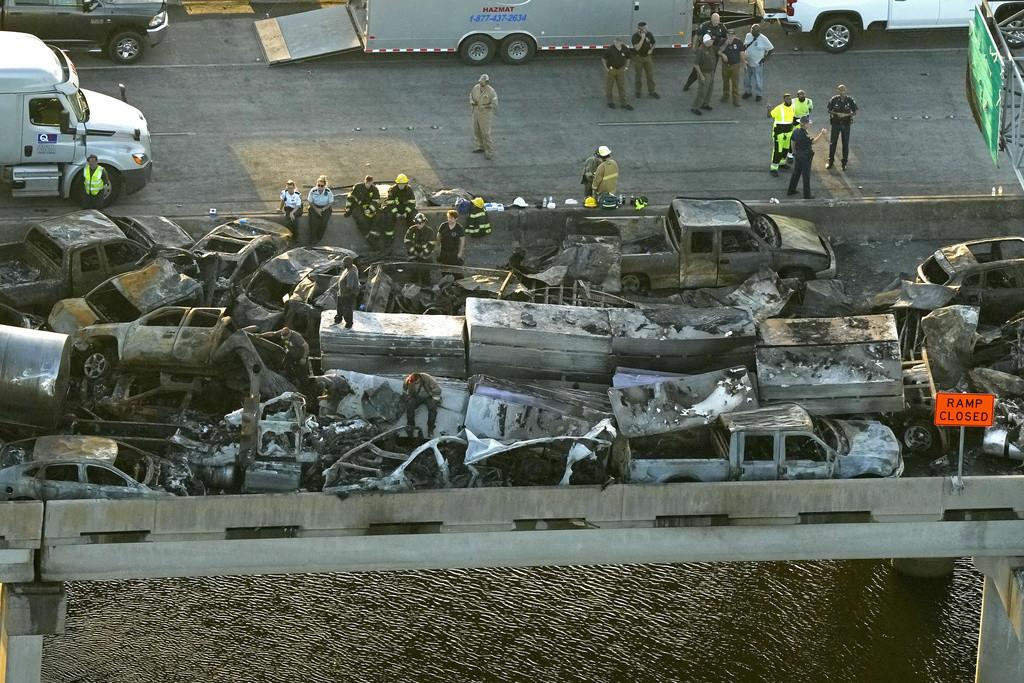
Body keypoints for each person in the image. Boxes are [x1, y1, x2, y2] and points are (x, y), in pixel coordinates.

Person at [684, 13, 728, 91]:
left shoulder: (722, 27)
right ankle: (688, 84)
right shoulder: (705, 25)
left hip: (715, 51)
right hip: (704, 49)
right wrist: (694, 46)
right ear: (711, 19)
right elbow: (697, 35)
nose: (716, 22)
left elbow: (727, 38)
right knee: (696, 69)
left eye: (718, 20)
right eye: (715, 20)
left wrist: (722, 48)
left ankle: (708, 86)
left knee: (712, 70)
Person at [787, 115, 827, 199]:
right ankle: (807, 195)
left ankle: (791, 190)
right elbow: (814, 142)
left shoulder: (796, 131)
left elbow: (792, 142)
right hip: (805, 157)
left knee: (796, 173)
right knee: (806, 176)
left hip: (798, 155)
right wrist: (822, 134)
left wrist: (794, 152)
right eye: (808, 123)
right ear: (804, 124)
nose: (809, 124)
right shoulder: (805, 135)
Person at [826, 83, 858, 171]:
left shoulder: (850, 100)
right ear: (837, 91)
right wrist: (837, 114)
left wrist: (845, 115)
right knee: (833, 143)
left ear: (846, 90)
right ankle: (830, 161)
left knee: (845, 144)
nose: (842, 91)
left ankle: (844, 163)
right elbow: (829, 110)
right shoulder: (834, 99)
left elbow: (854, 112)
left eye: (843, 90)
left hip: (846, 124)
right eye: (840, 90)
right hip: (836, 124)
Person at [403, 372, 442, 437]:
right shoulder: (408, 380)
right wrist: (407, 396)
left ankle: (430, 429)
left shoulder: (427, 378)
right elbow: (404, 389)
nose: (414, 383)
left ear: (419, 379)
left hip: (428, 396)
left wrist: (435, 399)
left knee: (432, 408)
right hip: (417, 396)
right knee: (410, 404)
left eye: (416, 382)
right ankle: (410, 425)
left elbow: (437, 389)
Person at [741, 24, 774, 102]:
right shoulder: (748, 35)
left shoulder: (764, 39)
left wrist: (764, 59)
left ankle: (759, 94)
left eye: (754, 31)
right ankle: (748, 92)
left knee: (758, 80)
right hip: (747, 62)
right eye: (751, 30)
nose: (752, 32)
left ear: (758, 31)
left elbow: (771, 49)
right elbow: (745, 45)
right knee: (746, 79)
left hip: (757, 64)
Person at [470, 74, 498, 159]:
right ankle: (481, 146)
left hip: (485, 113)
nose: (481, 83)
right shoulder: (476, 88)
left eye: (483, 82)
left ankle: (489, 151)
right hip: (476, 111)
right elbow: (471, 95)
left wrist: (486, 106)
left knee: (486, 133)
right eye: (480, 81)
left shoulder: (491, 91)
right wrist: (472, 102)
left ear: (487, 82)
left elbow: (494, 103)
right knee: (476, 130)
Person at [768, 92, 796, 176]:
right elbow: (770, 115)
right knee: (777, 151)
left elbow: (793, 118)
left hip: (788, 133)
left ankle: (782, 163)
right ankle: (773, 168)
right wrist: (768, 109)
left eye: (790, 98)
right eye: (787, 99)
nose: (789, 100)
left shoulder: (792, 107)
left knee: (785, 150)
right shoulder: (779, 108)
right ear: (784, 100)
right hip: (778, 134)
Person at [690, 34, 718, 116]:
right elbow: (696, 64)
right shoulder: (701, 50)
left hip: (711, 72)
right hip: (704, 73)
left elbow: (719, 50)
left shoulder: (711, 48)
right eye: (710, 41)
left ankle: (705, 104)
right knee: (702, 91)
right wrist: (701, 75)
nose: (712, 42)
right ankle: (695, 107)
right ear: (706, 41)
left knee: (710, 89)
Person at [602, 38, 633, 110]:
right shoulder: (610, 49)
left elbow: (628, 57)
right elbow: (603, 58)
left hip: (620, 70)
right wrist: (606, 68)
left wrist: (626, 67)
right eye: (615, 43)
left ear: (621, 43)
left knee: (621, 86)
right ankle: (610, 102)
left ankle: (623, 103)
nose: (616, 44)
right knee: (609, 86)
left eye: (618, 43)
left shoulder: (625, 49)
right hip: (612, 70)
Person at [631, 21, 659, 99]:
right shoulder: (635, 36)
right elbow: (637, 48)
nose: (646, 29)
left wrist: (652, 50)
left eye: (646, 28)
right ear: (640, 29)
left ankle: (652, 91)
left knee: (650, 75)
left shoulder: (649, 34)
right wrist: (643, 38)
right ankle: (638, 91)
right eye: (644, 28)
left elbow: (654, 43)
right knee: (638, 75)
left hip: (647, 57)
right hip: (638, 57)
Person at [719, 28, 745, 107]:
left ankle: (736, 100)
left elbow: (742, 53)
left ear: (734, 35)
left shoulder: (738, 42)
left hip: (735, 66)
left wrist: (744, 63)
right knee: (725, 81)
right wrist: (723, 53)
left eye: (732, 35)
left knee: (735, 83)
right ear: (726, 35)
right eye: (729, 35)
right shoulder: (723, 41)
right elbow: (719, 51)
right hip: (725, 66)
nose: (730, 37)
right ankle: (725, 96)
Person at [307, 175, 334, 243]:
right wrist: (316, 210)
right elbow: (310, 201)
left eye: (322, 186)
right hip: (314, 207)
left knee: (323, 223)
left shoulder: (328, 192)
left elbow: (330, 202)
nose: (320, 187)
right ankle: (313, 239)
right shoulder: (313, 191)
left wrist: (322, 209)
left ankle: (319, 238)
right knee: (313, 223)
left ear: (325, 186)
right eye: (318, 185)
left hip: (325, 208)